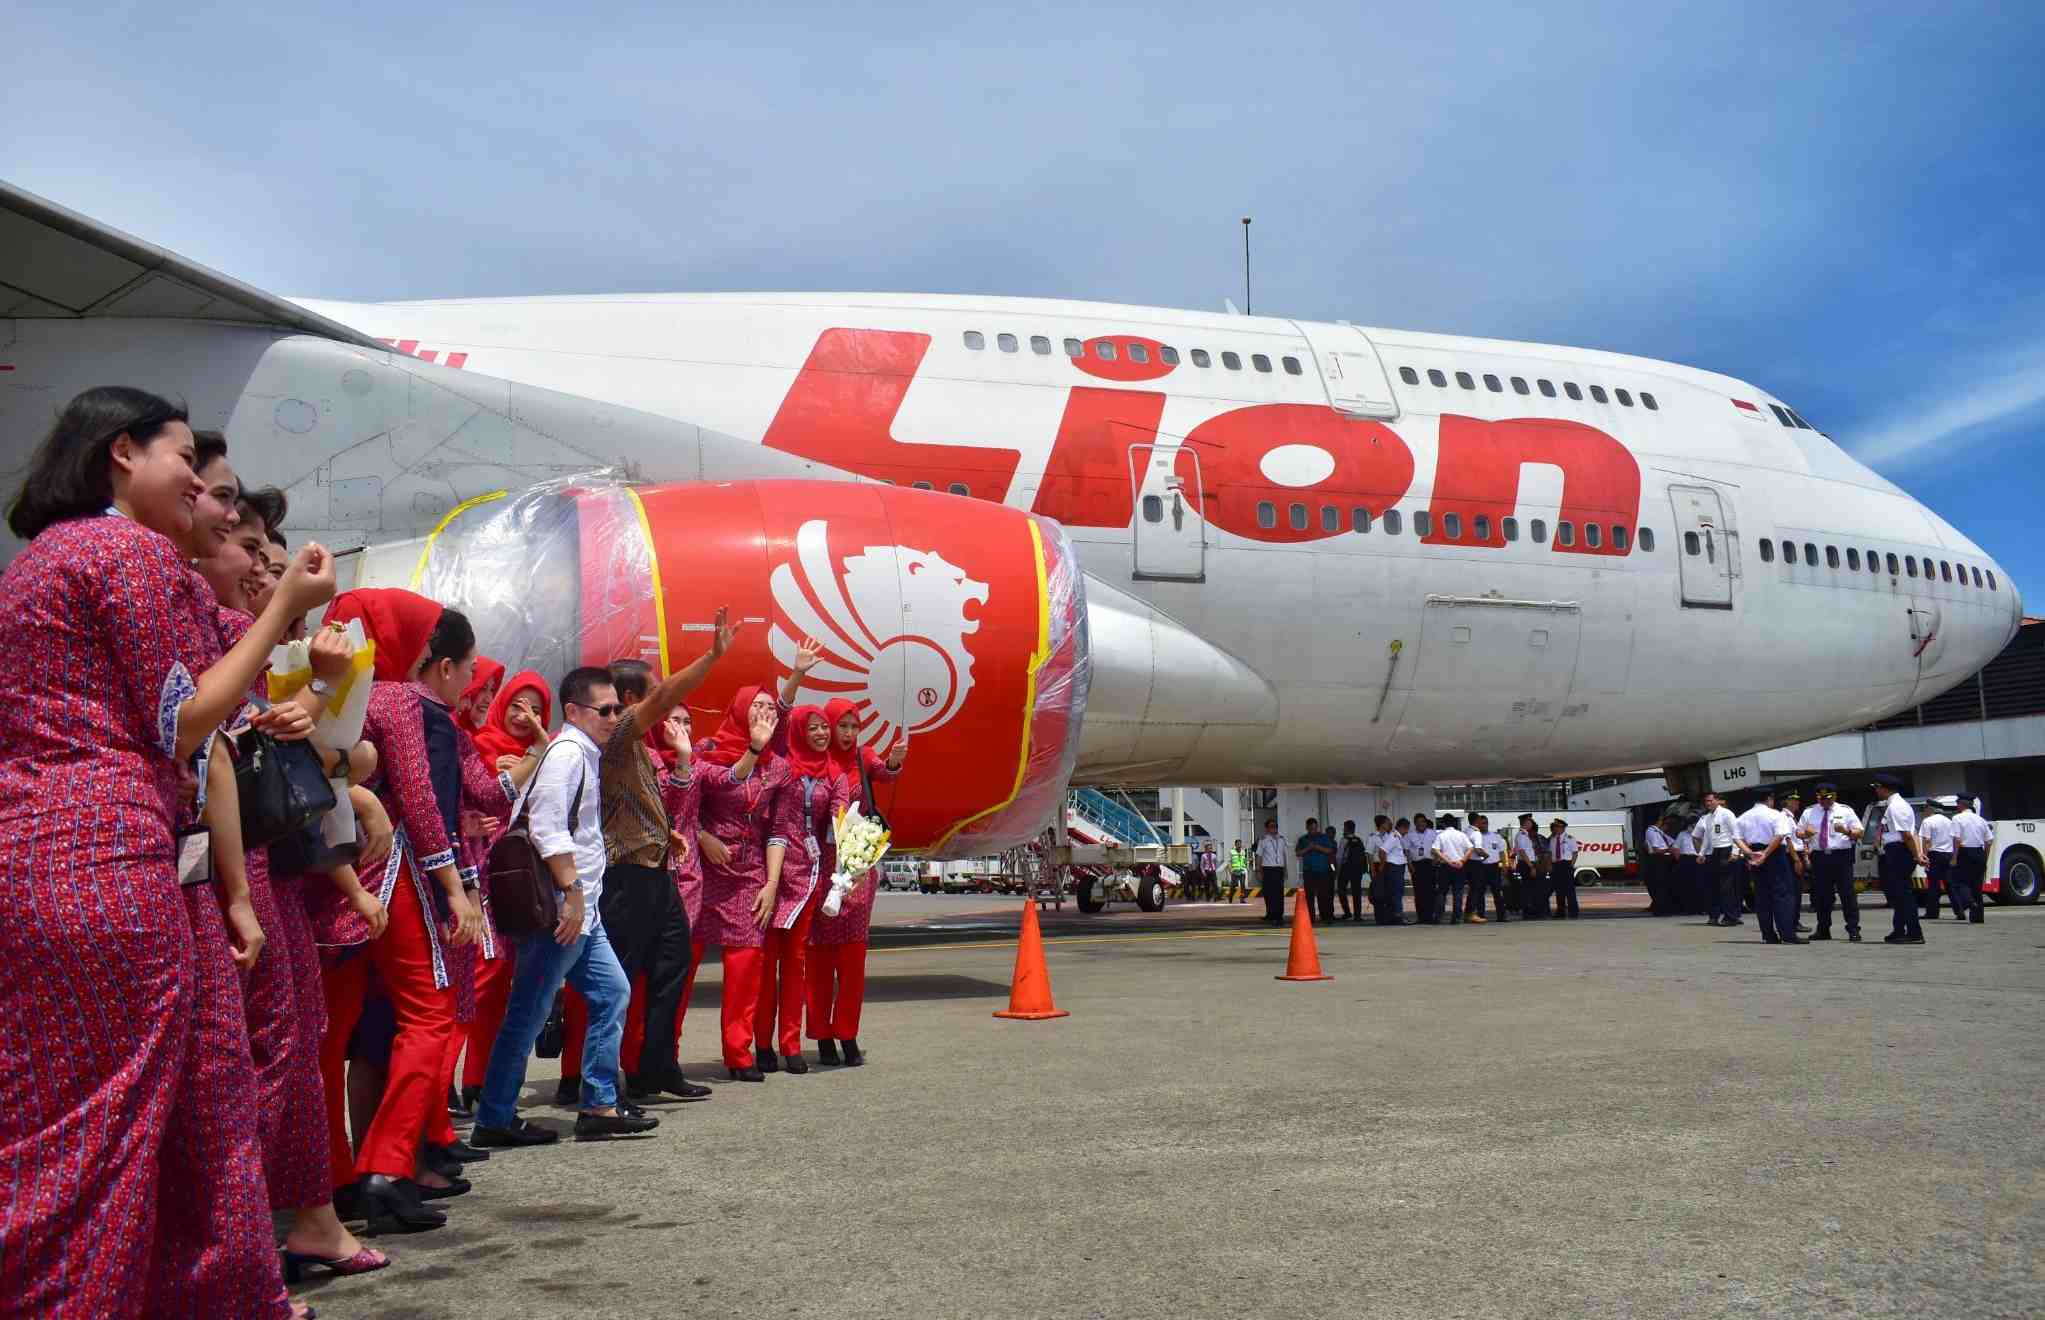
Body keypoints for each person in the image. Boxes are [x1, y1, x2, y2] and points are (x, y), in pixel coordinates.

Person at [0, 386, 338, 1318]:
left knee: (87, 1111)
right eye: (184, 457)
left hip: (45, 846)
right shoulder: (123, 549)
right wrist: (288, 612)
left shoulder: (47, 560)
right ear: (123, 453)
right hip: (108, 854)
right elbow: (183, 723)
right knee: (98, 1131)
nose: (200, 483)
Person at [313, 590, 490, 1232]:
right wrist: (452, 887)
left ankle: (330, 1178)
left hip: (323, 878)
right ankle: (386, 1168)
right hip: (392, 878)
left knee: (331, 1037)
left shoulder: (320, 691)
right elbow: (419, 794)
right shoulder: (399, 697)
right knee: (430, 1018)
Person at [472, 665, 659, 1147]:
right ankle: (494, 1117)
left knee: (611, 993)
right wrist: (572, 895)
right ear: (574, 712)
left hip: (582, 908)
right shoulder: (569, 754)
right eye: (606, 709)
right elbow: (547, 828)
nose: (615, 717)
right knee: (528, 1012)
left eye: (619, 708)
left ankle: (598, 1103)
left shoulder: (583, 753)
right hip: (562, 910)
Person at [693, 686, 799, 1080]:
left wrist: (771, 883)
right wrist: (704, 838)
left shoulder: (780, 769)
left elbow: (778, 831)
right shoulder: (707, 749)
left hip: (749, 870)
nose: (764, 711)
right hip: (701, 869)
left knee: (745, 967)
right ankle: (661, 1057)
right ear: (738, 709)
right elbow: (685, 806)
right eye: (757, 705)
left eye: (771, 708)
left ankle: (739, 1055)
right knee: (681, 966)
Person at [460, 671, 552, 1106]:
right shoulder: (478, 747)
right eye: (516, 705)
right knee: (480, 977)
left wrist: (538, 751)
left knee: (502, 985)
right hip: (484, 876)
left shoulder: (545, 755)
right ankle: (443, 1083)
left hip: (524, 882)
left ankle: (479, 1080)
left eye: (534, 708)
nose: (523, 715)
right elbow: (469, 800)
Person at [809, 696, 905, 1067]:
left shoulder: (864, 758)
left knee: (852, 959)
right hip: (822, 866)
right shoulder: (816, 762)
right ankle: (821, 1037)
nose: (848, 734)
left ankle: (847, 1034)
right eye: (842, 726)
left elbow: (887, 772)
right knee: (819, 959)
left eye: (853, 727)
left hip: (859, 864)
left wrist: (895, 759)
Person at [1798, 783, 1864, 942]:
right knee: (1822, 896)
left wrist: (1846, 831)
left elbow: (1859, 832)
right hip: (1820, 857)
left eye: (1827, 798)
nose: (1823, 801)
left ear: (1834, 796)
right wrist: (1804, 834)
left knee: (1847, 894)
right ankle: (1823, 929)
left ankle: (1853, 929)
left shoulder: (1845, 811)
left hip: (1841, 856)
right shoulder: (1809, 812)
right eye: (1820, 798)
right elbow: (1798, 832)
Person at [1734, 790, 1801, 944]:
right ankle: (1787, 934)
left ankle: (1768, 935)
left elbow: (1737, 837)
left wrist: (1750, 853)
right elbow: (1779, 836)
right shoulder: (1776, 814)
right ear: (1769, 799)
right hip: (1774, 854)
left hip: (1755, 854)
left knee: (1762, 896)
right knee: (1782, 895)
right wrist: (1765, 854)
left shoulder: (1744, 816)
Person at [1871, 775, 1927, 945]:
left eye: (1878, 787)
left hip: (1899, 851)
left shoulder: (1897, 807)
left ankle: (1914, 932)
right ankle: (1899, 930)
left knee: (1904, 894)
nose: (1876, 791)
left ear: (1885, 788)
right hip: (1896, 850)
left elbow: (1907, 835)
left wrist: (1917, 855)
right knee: (1898, 894)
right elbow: (1911, 832)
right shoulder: (1894, 806)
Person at [1696, 791, 1742, 928]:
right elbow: (1707, 838)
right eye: (1706, 801)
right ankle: (1714, 916)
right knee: (1713, 885)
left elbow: (1736, 833)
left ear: (1717, 800)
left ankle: (1731, 917)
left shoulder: (1726, 814)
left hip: (1726, 849)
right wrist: (1701, 853)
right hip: (1714, 852)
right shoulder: (1708, 818)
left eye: (1710, 801)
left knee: (1726, 886)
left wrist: (1735, 851)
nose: (1708, 803)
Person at [1949, 797, 1992, 924]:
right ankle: (1978, 917)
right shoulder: (1981, 820)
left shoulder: (1957, 818)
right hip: (1979, 852)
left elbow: (1957, 839)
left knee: (1959, 881)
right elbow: (1989, 841)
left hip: (1965, 852)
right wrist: (1985, 857)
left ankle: (1969, 902)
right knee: (1977, 886)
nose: (1957, 807)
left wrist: (1954, 857)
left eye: (1957, 804)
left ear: (1961, 805)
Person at [1919, 797, 1958, 921]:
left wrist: (1924, 857)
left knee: (1933, 885)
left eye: (1925, 808)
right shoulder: (1949, 821)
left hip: (1935, 855)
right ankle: (1960, 911)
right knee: (1950, 884)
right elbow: (1954, 838)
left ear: (1930, 808)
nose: (1924, 811)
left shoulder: (1928, 821)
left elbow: (1926, 841)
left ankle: (1932, 912)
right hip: (1948, 854)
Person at [1432, 813, 1474, 924]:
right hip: (1459, 866)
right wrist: (1462, 860)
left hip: (1446, 866)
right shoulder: (1461, 835)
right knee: (1458, 892)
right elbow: (1470, 848)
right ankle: (1456, 917)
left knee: (1442, 892)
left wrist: (1447, 860)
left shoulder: (1441, 835)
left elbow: (1435, 850)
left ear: (1444, 823)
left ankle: (1438, 916)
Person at [1296, 816, 1336, 924]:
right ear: (1307, 828)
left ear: (1317, 827)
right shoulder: (1302, 839)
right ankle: (1310, 918)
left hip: (1323, 871)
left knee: (1324, 895)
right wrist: (1308, 848)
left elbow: (1330, 850)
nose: (1313, 831)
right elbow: (1298, 853)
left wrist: (1317, 847)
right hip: (1309, 871)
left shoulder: (1324, 838)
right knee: (1309, 896)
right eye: (1311, 829)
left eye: (1315, 828)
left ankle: (1326, 917)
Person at [1254, 819, 1288, 925]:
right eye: (1271, 826)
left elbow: (1284, 855)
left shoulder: (1282, 839)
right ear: (1267, 828)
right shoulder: (1263, 840)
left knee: (1279, 894)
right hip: (1268, 869)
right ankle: (1271, 914)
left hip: (1279, 869)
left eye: (1275, 826)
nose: (1274, 828)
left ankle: (1278, 916)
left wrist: (1285, 869)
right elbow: (1259, 856)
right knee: (1269, 893)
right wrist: (1258, 870)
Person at [1376, 819, 1410, 924]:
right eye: (1407, 829)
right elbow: (1382, 851)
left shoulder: (1398, 837)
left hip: (1397, 868)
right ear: (1402, 828)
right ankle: (1398, 916)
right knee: (1396, 893)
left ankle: (1394, 916)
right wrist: (1382, 865)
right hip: (1393, 868)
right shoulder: (1394, 837)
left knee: (1397, 892)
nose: (1407, 831)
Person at [1473, 814, 1506, 922]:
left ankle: (1501, 916)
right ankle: (1481, 915)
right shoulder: (1476, 836)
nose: (1485, 825)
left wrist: (1504, 865)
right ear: (1478, 824)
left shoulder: (1496, 836)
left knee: (1497, 892)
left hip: (1494, 867)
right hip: (1480, 867)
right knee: (1480, 893)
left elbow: (1501, 852)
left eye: (1486, 823)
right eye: (1482, 823)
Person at [1644, 815, 1678, 916]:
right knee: (1660, 885)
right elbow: (1656, 850)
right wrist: (1669, 850)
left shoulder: (1659, 832)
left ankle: (1664, 907)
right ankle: (1660, 909)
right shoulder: (1652, 832)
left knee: (1665, 884)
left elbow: (1671, 841)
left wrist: (1672, 847)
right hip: (1658, 859)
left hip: (1664, 858)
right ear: (1658, 822)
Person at [1547, 819, 1581, 918]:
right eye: (1555, 827)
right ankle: (1560, 912)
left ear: (1563, 828)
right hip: (1555, 865)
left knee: (1569, 890)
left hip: (1566, 864)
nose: (1555, 828)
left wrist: (1571, 865)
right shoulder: (1552, 839)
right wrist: (1549, 864)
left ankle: (1573, 912)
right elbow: (1549, 854)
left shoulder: (1570, 838)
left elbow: (1575, 852)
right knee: (1559, 890)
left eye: (1558, 827)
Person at [1409, 813, 1439, 924]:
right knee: (1419, 892)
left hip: (1430, 864)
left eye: (1423, 821)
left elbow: (1439, 847)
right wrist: (1409, 864)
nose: (1420, 824)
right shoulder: (1410, 835)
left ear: (1426, 823)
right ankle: (1421, 917)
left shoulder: (1433, 833)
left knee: (1431, 891)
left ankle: (1431, 916)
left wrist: (1437, 859)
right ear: (1415, 824)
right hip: (1417, 865)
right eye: (1418, 822)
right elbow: (1406, 850)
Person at [1338, 820, 1369, 922]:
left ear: (1346, 828)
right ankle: (1357, 916)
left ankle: (1347, 913)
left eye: (1344, 827)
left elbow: (1339, 857)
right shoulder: (1359, 840)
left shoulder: (1344, 840)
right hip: (1357, 869)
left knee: (1341, 890)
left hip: (1346, 868)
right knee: (1357, 892)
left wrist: (1337, 870)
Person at [1513, 815, 1544, 918]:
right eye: (1530, 822)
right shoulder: (1521, 835)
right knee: (1528, 889)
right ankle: (1528, 911)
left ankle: (1531, 910)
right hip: (1527, 864)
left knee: (1532, 888)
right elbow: (1522, 852)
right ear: (1525, 823)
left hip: (1529, 863)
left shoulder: (1526, 835)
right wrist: (1531, 866)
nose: (1531, 823)